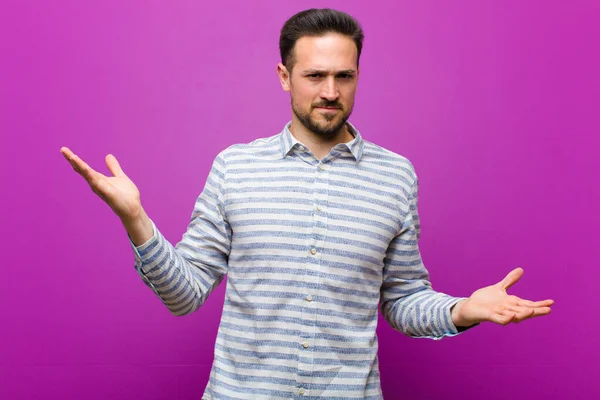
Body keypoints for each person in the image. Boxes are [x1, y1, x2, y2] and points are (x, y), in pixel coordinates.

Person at [60, 8, 554, 399]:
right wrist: (136, 219)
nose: (331, 92)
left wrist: (463, 309)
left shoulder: (396, 176)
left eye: (345, 75)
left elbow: (403, 300)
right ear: (283, 75)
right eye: (315, 75)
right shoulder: (236, 167)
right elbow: (184, 294)